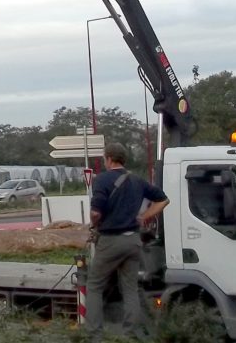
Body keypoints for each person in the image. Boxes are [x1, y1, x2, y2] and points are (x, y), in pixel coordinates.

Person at [86, 143, 169, 339]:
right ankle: (131, 333)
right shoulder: (136, 180)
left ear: (108, 159)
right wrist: (144, 216)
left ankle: (93, 335)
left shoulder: (102, 179)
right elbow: (163, 200)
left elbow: (96, 212)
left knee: (95, 285)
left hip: (110, 241)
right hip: (133, 241)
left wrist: (93, 223)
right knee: (130, 289)